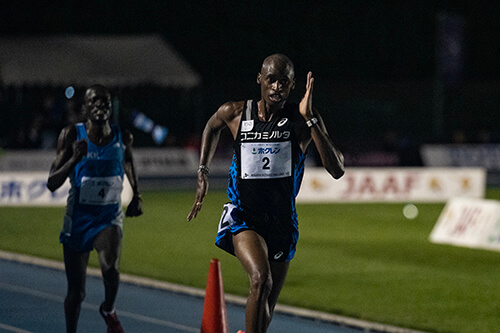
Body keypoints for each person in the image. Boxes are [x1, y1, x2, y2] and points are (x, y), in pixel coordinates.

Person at [187, 54, 345, 333]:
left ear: (293, 85)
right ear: (260, 79)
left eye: (283, 82)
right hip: (244, 216)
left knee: (266, 307)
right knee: (261, 279)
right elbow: (211, 128)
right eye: (271, 80)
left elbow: (336, 169)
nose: (276, 87)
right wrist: (203, 171)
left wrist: (310, 121)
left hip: (282, 221)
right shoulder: (235, 113)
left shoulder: (301, 118)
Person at [47, 84, 143, 333]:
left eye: (105, 101)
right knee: (76, 292)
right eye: (95, 101)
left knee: (111, 268)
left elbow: (129, 162)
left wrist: (136, 194)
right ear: (85, 108)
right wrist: (73, 159)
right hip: (78, 219)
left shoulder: (124, 136)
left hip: (108, 217)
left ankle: (108, 309)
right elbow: (51, 183)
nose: (101, 105)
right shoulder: (71, 135)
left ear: (111, 107)